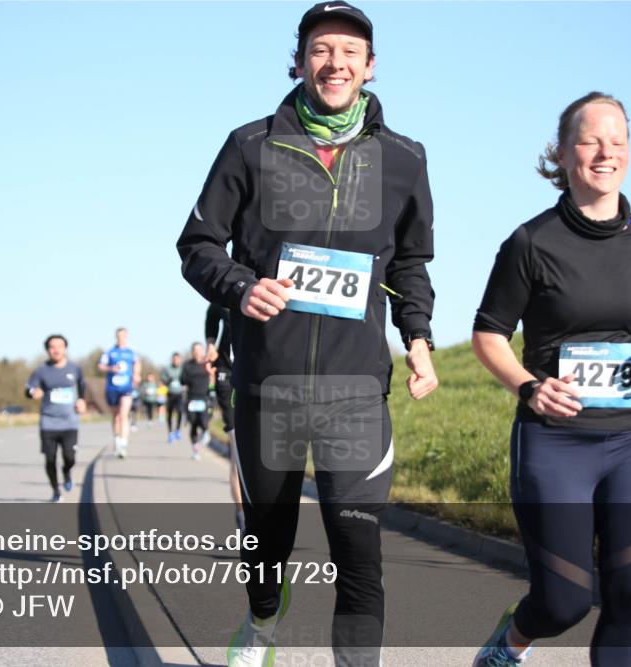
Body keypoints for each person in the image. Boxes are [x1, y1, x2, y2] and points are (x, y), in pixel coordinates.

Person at [177, 3, 438, 664]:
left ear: (371, 68)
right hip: (269, 384)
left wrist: (419, 337)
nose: (336, 62)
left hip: (355, 391)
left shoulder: (404, 159)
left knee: (358, 553)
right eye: (321, 49)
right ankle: (264, 619)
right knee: (267, 541)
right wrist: (242, 285)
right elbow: (198, 243)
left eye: (350, 51)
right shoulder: (250, 145)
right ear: (298, 62)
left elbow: (409, 263)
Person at [470, 92, 631, 667]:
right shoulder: (531, 242)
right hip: (555, 440)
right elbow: (488, 335)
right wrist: (528, 386)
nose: (605, 152)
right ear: (563, 154)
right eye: (590, 140)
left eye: (617, 140)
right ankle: (511, 642)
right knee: (565, 601)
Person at [25, 334, 87, 502]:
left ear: (65, 348)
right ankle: (55, 491)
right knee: (50, 459)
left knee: (70, 457)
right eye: (52, 347)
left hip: (70, 422)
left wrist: (82, 401)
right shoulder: (41, 371)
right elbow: (29, 388)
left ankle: (67, 472)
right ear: (47, 350)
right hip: (48, 422)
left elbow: (82, 386)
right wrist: (33, 393)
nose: (56, 350)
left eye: (59, 346)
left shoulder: (75, 369)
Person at [206, 302, 245, 531]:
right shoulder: (229, 286)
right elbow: (212, 314)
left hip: (259, 375)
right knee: (237, 449)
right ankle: (244, 520)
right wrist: (211, 343)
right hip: (227, 375)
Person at [98, 327, 141, 458]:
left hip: (126, 387)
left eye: (123, 336)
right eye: (119, 336)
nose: (121, 338)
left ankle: (123, 444)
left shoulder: (131, 352)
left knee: (124, 415)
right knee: (116, 416)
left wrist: (136, 374)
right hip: (112, 388)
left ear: (126, 337)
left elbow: (137, 363)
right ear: (116, 337)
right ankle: (117, 440)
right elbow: (100, 366)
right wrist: (111, 368)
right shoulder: (110, 352)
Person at [180, 342, 214, 460]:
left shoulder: (208, 363)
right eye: (195, 350)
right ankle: (195, 449)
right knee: (193, 423)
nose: (197, 353)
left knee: (204, 422)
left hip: (204, 398)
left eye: (199, 350)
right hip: (192, 399)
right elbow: (182, 380)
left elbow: (213, 376)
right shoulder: (187, 365)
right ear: (192, 352)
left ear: (203, 351)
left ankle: (205, 432)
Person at [160, 352, 185, 444]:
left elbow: (186, 380)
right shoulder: (167, 369)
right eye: (174, 359)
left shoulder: (183, 369)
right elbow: (162, 381)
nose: (176, 361)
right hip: (170, 394)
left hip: (180, 394)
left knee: (180, 411)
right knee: (169, 413)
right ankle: (170, 433)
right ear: (172, 359)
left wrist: (185, 385)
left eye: (178, 359)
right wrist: (167, 381)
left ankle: (177, 430)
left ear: (180, 360)